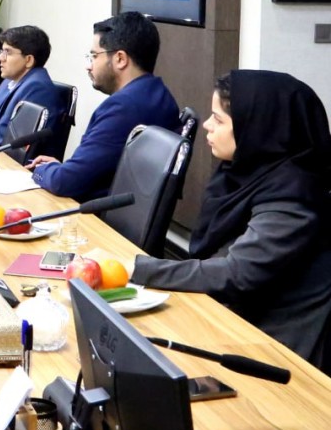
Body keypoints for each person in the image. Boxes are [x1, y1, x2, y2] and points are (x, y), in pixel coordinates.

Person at [128, 70, 331, 370]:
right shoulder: (244, 173)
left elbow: (236, 273)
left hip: (275, 353)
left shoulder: (293, 196)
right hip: (236, 322)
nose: (207, 125)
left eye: (219, 119)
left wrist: (136, 269)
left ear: (257, 128)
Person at [29, 11, 179, 201]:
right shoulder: (160, 95)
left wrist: (41, 170)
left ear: (120, 59)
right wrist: (60, 168)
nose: (89, 66)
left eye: (94, 56)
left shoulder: (122, 108)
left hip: (94, 214)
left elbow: (64, 182)